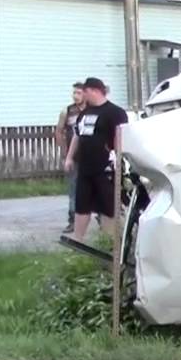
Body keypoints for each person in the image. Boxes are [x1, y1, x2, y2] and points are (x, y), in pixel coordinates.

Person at [64, 78, 127, 242]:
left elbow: (121, 138)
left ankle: (109, 242)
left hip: (105, 167)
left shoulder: (115, 112)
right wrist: (70, 157)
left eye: (84, 92)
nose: (82, 96)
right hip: (85, 167)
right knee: (81, 205)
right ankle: (78, 239)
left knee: (108, 205)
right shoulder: (85, 113)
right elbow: (77, 136)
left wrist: (118, 157)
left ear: (94, 91)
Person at [55, 82, 86, 233]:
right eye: (74, 93)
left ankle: (102, 219)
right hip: (73, 157)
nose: (75, 96)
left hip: (90, 155)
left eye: (79, 93)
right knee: (74, 189)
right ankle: (72, 220)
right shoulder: (67, 111)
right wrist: (65, 152)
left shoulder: (91, 110)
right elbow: (59, 131)